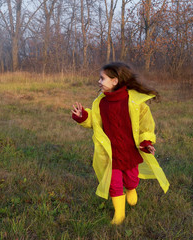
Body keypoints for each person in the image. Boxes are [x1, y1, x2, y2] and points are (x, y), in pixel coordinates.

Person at [71, 62, 169, 225]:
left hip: (130, 151)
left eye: (102, 79)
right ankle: (119, 214)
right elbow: (95, 121)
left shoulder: (134, 102)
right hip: (111, 153)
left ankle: (131, 189)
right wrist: (82, 116)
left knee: (131, 179)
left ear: (115, 81)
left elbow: (146, 124)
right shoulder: (101, 102)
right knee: (114, 183)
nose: (99, 82)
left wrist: (146, 141)